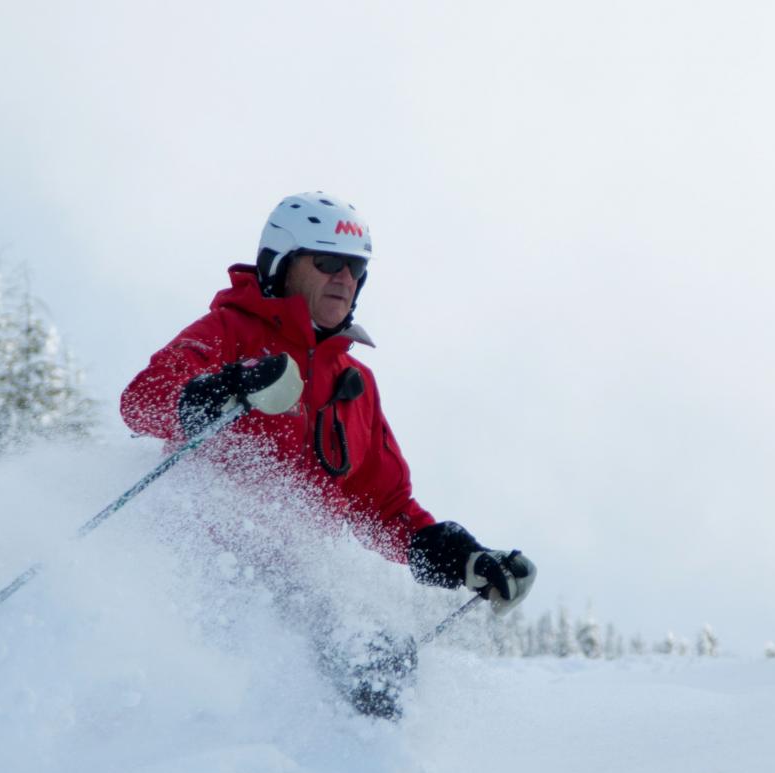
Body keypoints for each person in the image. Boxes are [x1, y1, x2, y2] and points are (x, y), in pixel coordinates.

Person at [120, 191, 536, 717]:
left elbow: (384, 506)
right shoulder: (229, 333)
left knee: (376, 663)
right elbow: (142, 401)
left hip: (295, 590)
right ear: (283, 264)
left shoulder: (353, 382)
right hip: (199, 576)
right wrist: (229, 386)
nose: (345, 278)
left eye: (356, 267)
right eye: (328, 262)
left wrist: (465, 558)